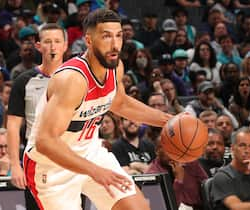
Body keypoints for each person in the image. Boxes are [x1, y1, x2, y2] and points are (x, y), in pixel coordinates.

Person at [20, 9, 171, 210]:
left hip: (90, 152)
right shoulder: (72, 80)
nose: (115, 43)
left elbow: (121, 103)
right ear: (89, 41)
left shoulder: (115, 67)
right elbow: (46, 141)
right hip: (50, 164)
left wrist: (169, 120)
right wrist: (94, 171)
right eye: (106, 36)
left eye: (118, 36)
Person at [7, 23, 68, 191]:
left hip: (71, 162)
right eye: (47, 41)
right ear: (39, 46)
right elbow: (12, 125)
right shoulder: (23, 81)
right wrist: (14, 164)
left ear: (65, 46)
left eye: (57, 41)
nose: (53, 46)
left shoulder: (77, 79)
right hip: (37, 160)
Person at [147, 138, 208, 210]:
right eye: (169, 148)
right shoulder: (151, 175)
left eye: (176, 147)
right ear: (157, 151)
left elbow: (207, 188)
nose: (173, 153)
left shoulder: (191, 163)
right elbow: (163, 207)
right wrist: (178, 180)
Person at [211, 127, 250, 209]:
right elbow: (236, 207)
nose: (247, 150)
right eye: (242, 145)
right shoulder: (222, 176)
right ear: (232, 149)